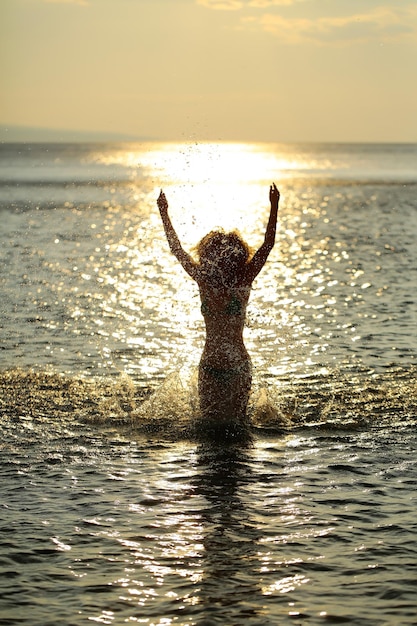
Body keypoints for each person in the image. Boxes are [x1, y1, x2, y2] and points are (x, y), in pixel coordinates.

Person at [157, 183, 280, 439]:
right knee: (208, 431)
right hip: (210, 366)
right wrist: (164, 213)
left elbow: (267, 245)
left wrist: (274, 206)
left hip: (238, 366)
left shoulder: (244, 279)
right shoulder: (204, 279)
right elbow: (177, 250)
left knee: (238, 431)